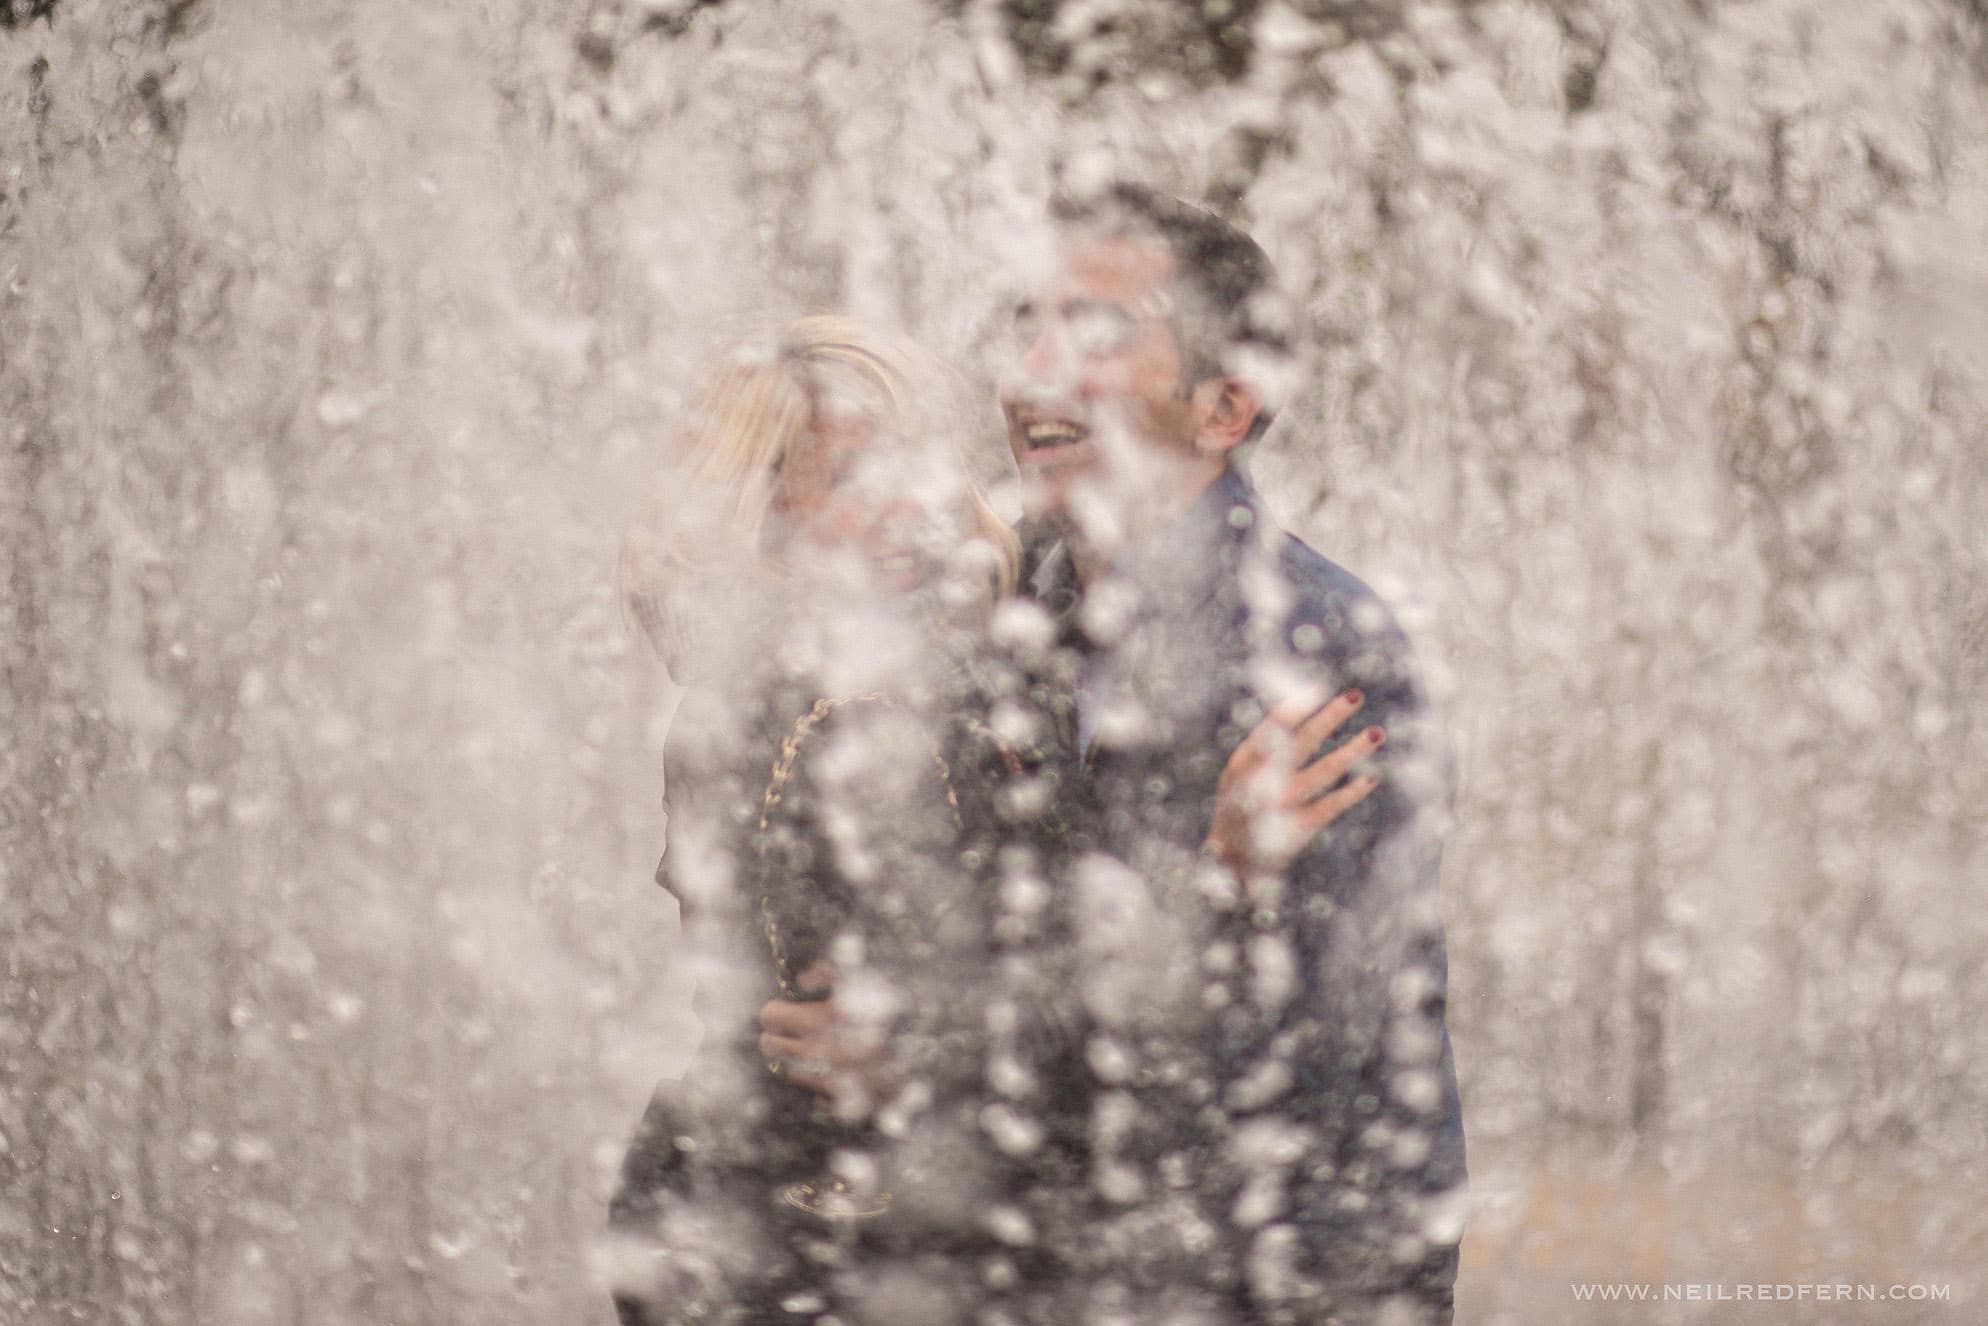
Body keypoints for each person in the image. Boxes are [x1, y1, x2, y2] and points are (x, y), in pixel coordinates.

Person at [602, 316, 1381, 1325]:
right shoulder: (836, 721)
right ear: (763, 516)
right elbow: (953, 1034)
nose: (893, 507)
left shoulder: (929, 667)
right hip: (806, 1253)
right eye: (839, 483)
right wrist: (1216, 876)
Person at [990, 185, 1469, 1325]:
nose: (1030, 373)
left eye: (1098, 334)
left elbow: (1296, 1067)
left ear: (1222, 409)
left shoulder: (1317, 652)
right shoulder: (1002, 608)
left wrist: (1206, 895)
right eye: (1023, 325)